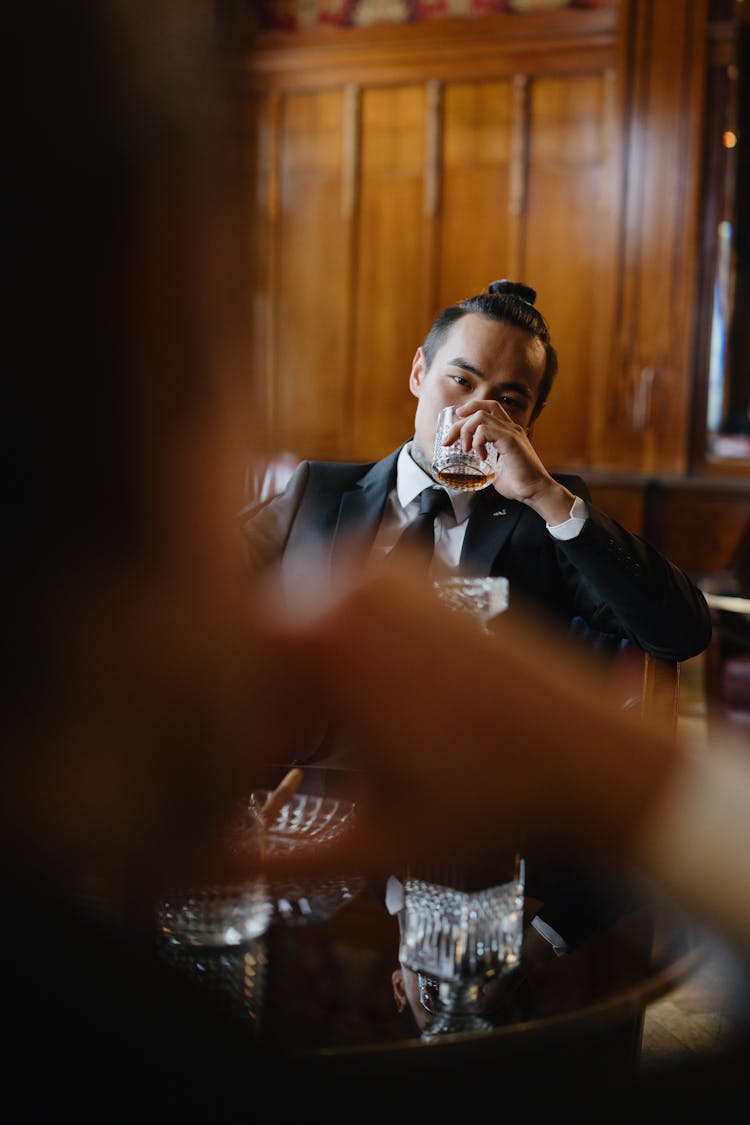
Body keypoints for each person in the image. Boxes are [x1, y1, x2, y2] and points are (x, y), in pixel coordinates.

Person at [241, 277, 713, 962]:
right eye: (460, 381)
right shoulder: (320, 491)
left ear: (526, 422)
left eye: (507, 401)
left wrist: (548, 497)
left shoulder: (544, 525)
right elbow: (190, 583)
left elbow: (681, 631)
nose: (473, 414)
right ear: (418, 372)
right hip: (312, 839)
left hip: (468, 851)